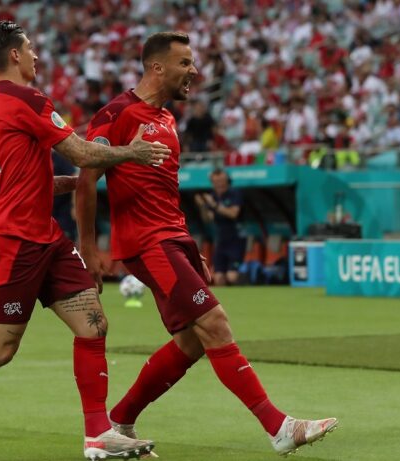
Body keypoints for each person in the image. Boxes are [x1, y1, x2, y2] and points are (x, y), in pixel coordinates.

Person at [0, 21, 170, 461]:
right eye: (29, 48)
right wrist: (131, 152)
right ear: (13, 55)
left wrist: (72, 184)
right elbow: (82, 152)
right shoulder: (27, 98)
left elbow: (23, 176)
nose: (36, 56)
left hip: (43, 234)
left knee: (93, 324)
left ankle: (98, 433)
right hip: (15, 238)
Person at [76, 31, 338, 458]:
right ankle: (280, 427)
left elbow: (163, 191)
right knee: (215, 323)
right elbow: (87, 179)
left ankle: (121, 418)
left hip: (172, 239)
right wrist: (88, 248)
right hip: (147, 243)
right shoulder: (116, 114)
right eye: (184, 63)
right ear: (157, 67)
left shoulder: (166, 119)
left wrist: (187, 243)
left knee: (191, 341)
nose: (194, 71)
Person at [195, 169, 244, 285]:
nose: (219, 184)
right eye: (216, 181)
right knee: (218, 278)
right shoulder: (213, 196)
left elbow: (233, 213)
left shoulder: (234, 193)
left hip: (235, 239)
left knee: (232, 277)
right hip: (220, 240)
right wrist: (203, 206)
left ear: (227, 180)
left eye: (222, 181)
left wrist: (213, 205)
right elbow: (208, 219)